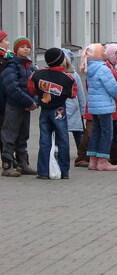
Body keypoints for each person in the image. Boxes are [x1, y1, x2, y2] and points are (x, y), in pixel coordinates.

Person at [31, 47, 76, 180]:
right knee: (63, 139)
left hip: (44, 110)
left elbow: (32, 89)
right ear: (62, 60)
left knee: (44, 140)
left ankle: (43, 171)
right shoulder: (67, 77)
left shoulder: (38, 74)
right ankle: (64, 171)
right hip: (59, 110)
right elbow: (73, 93)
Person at [1, 37, 36, 176]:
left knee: (23, 136)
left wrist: (35, 101)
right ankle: (7, 165)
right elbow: (12, 88)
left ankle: (23, 163)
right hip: (14, 106)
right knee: (9, 136)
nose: (26, 49)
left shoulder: (30, 67)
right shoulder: (11, 66)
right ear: (16, 50)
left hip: (26, 107)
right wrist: (29, 102)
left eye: (27, 47)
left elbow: (34, 87)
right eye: (22, 47)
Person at [84, 44, 117, 171]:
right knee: (107, 133)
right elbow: (112, 87)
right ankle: (103, 161)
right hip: (104, 106)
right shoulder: (103, 69)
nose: (105, 51)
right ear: (98, 54)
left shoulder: (90, 68)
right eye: (103, 49)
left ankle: (92, 160)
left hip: (94, 106)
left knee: (95, 132)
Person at [63, 49, 86, 155]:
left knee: (79, 133)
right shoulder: (54, 74)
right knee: (61, 133)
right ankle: (61, 152)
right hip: (61, 109)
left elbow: (80, 93)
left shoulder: (74, 75)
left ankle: (82, 153)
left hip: (74, 109)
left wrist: (83, 110)